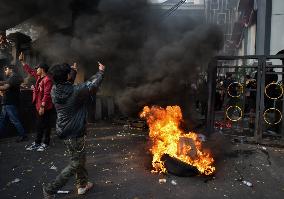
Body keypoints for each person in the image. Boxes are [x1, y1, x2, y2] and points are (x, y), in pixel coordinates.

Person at [42, 62, 105, 198]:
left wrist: (73, 72)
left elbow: (67, 84)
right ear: (66, 76)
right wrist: (100, 72)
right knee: (76, 163)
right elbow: (92, 85)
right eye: (69, 72)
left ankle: (82, 185)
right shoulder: (76, 91)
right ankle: (50, 189)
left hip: (64, 131)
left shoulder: (55, 89)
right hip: (75, 132)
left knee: (78, 158)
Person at [19, 52, 53, 152]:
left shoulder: (47, 80)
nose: (36, 70)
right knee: (40, 124)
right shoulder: (39, 77)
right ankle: (38, 142)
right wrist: (22, 61)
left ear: (42, 69)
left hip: (45, 107)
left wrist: (42, 107)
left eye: (37, 68)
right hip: (39, 106)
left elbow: (47, 94)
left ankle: (45, 143)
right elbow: (30, 71)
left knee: (45, 125)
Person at [0, 65, 27, 142]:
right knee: (2, 120)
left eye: (6, 69)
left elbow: (5, 87)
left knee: (14, 120)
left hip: (10, 103)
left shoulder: (14, 77)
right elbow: (5, 82)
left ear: (11, 69)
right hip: (6, 103)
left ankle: (23, 135)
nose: (5, 71)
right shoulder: (11, 78)